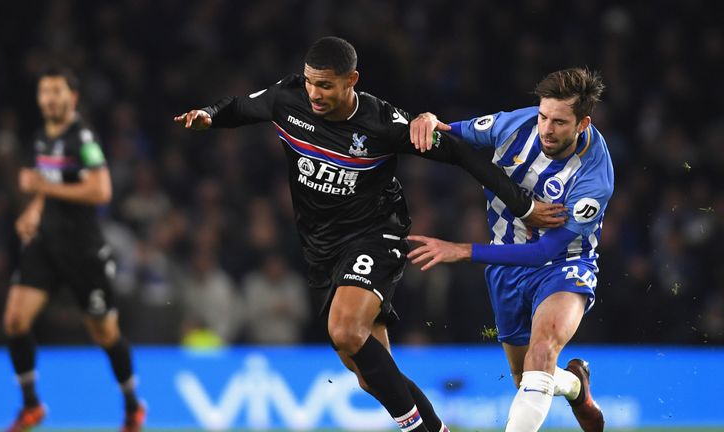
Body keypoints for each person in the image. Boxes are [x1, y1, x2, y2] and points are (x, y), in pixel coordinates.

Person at [175, 36, 565, 432]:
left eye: (325, 85)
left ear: (351, 81)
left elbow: (459, 153)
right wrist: (209, 114)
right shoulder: (287, 98)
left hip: (375, 235)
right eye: (310, 82)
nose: (314, 93)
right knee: (369, 372)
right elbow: (240, 107)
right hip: (321, 249)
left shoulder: (383, 123)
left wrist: (524, 205)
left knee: (344, 329)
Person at [407, 68, 611, 432]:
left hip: (564, 264)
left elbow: (543, 252)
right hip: (505, 264)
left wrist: (463, 251)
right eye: (543, 116)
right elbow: (454, 133)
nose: (546, 129)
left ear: (583, 124)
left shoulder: (593, 178)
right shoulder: (513, 126)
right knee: (526, 379)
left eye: (559, 122)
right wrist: (430, 121)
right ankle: (576, 386)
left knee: (542, 351)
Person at [3, 65, 145, 432]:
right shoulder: (41, 137)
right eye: (44, 92)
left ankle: (132, 406)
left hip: (83, 253)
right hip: (46, 246)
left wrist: (41, 189)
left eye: (57, 92)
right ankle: (31, 405)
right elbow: (46, 184)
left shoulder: (82, 138)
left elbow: (101, 191)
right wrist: (33, 211)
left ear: (73, 97)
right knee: (15, 320)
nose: (50, 98)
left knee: (104, 334)